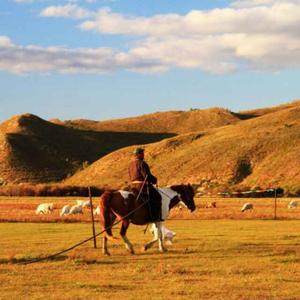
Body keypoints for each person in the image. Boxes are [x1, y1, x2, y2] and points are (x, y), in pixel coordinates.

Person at [128, 147, 163, 222]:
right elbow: (147, 176)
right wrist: (155, 180)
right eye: (142, 153)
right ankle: (155, 217)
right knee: (157, 196)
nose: (143, 155)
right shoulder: (142, 163)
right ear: (138, 155)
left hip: (133, 186)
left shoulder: (130, 164)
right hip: (141, 186)